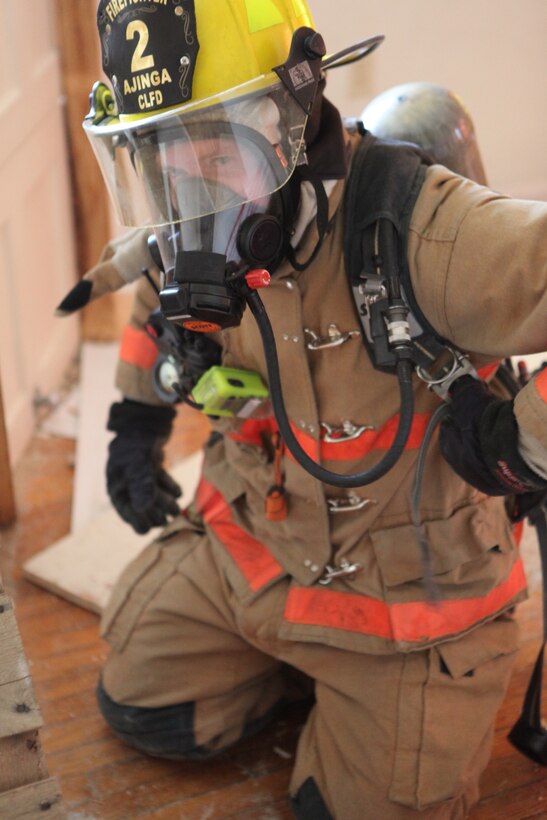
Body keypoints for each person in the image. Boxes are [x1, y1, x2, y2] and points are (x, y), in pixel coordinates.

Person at [61, 1, 547, 816]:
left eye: (213, 143)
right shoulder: (185, 224)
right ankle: (308, 679)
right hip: (249, 555)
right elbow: (157, 313)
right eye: (156, 151)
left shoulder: (426, 232)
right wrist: (134, 425)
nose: (186, 183)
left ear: (288, 112)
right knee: (144, 707)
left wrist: (523, 443)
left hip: (408, 604)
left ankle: (369, 704)